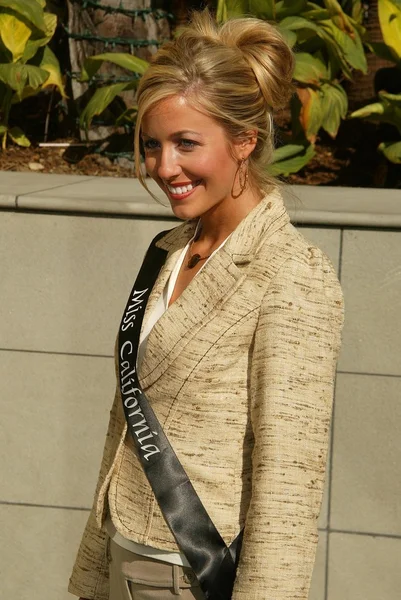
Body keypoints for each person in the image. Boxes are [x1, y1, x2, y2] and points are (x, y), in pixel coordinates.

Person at [69, 9, 344, 600]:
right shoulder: (168, 252)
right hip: (124, 557)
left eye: (186, 143)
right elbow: (128, 422)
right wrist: (95, 571)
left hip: (191, 576)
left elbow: (288, 485)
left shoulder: (290, 273)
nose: (164, 168)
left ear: (244, 140)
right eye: (152, 146)